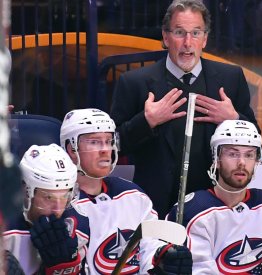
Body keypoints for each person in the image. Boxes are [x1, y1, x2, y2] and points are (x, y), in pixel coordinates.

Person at [110, 0, 258, 216]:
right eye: (180, 32)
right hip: (154, 208)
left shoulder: (231, 78)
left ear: (205, 38)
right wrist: (146, 121)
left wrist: (234, 118)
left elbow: (256, 138)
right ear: (165, 37)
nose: (188, 42)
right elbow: (114, 146)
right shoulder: (134, 83)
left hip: (216, 207)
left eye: (196, 33)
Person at [165, 120, 262, 274]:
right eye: (233, 154)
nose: (241, 163)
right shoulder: (192, 212)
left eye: (249, 155)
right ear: (216, 158)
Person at [59, 108, 192, 274]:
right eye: (94, 142)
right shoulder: (58, 204)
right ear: (71, 149)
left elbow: (148, 246)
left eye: (108, 141)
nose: (105, 150)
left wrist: (161, 257)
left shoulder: (133, 195)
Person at [3, 144, 85, 275]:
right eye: (49, 197)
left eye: (64, 197)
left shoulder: (78, 224)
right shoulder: (5, 227)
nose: (58, 210)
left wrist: (64, 268)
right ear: (25, 191)